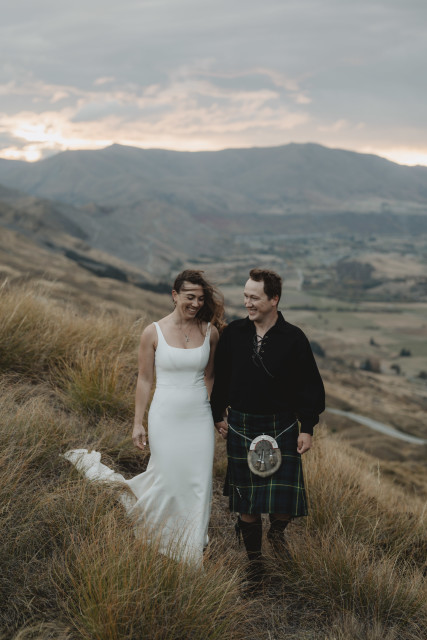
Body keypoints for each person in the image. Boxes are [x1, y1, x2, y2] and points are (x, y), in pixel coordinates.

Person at [64, 269, 223, 567]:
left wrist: (212, 412)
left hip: (199, 417)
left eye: (201, 299)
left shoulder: (210, 332)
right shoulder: (153, 332)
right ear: (174, 295)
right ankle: (161, 532)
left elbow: (210, 376)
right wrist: (138, 422)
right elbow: (144, 379)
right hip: (165, 415)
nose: (196, 304)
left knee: (199, 480)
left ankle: (191, 543)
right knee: (168, 475)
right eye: (190, 297)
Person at [210, 268, 325, 582]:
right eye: (245, 296)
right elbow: (221, 379)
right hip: (242, 424)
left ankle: (276, 533)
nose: (247, 303)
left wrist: (307, 427)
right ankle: (255, 565)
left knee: (282, 503)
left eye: (254, 298)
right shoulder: (234, 334)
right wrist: (217, 414)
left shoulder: (294, 338)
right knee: (247, 503)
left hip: (282, 426)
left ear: (274, 299)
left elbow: (310, 387)